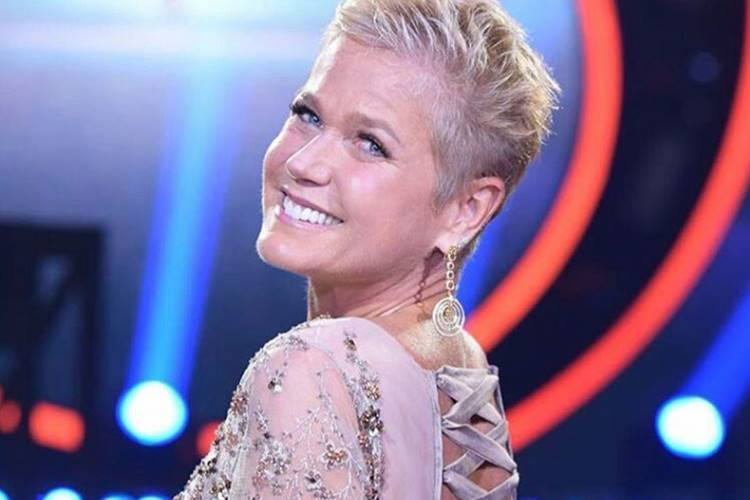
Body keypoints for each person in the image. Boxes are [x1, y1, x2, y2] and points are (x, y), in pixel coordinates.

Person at [175, 0, 558, 498]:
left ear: (466, 209)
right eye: (308, 116)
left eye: (370, 144)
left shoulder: (310, 367)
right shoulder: (461, 364)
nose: (304, 163)